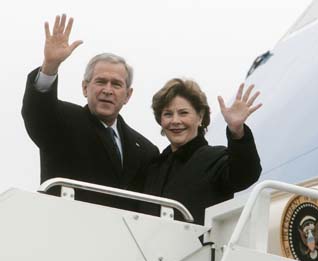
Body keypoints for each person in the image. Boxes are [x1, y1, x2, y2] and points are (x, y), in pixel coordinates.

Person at [22, 14, 159, 210]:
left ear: (128, 95)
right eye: (101, 81)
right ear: (85, 88)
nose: (108, 90)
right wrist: (50, 66)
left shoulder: (146, 150)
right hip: (67, 228)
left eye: (116, 84)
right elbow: (38, 112)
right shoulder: (62, 121)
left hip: (124, 237)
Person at [143, 78, 262, 225]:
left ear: (200, 117)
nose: (175, 121)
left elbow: (246, 175)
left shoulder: (216, 159)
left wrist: (237, 130)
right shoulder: (154, 167)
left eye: (183, 113)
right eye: (168, 114)